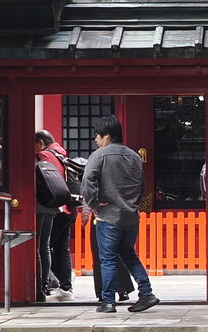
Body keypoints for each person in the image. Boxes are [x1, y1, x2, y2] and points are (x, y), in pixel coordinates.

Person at [80, 115, 159, 315]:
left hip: (109, 216)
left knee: (107, 259)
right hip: (131, 216)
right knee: (129, 255)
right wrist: (133, 204)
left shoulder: (99, 155)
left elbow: (87, 182)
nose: (96, 140)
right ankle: (146, 292)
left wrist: (94, 203)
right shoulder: (134, 156)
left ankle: (108, 301)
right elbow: (142, 187)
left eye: (97, 136)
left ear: (106, 135)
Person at [33, 129, 75, 302]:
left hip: (51, 207)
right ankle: (66, 287)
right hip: (67, 208)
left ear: (41, 143)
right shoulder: (61, 154)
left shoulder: (43, 156)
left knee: (44, 246)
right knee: (62, 248)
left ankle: (46, 284)